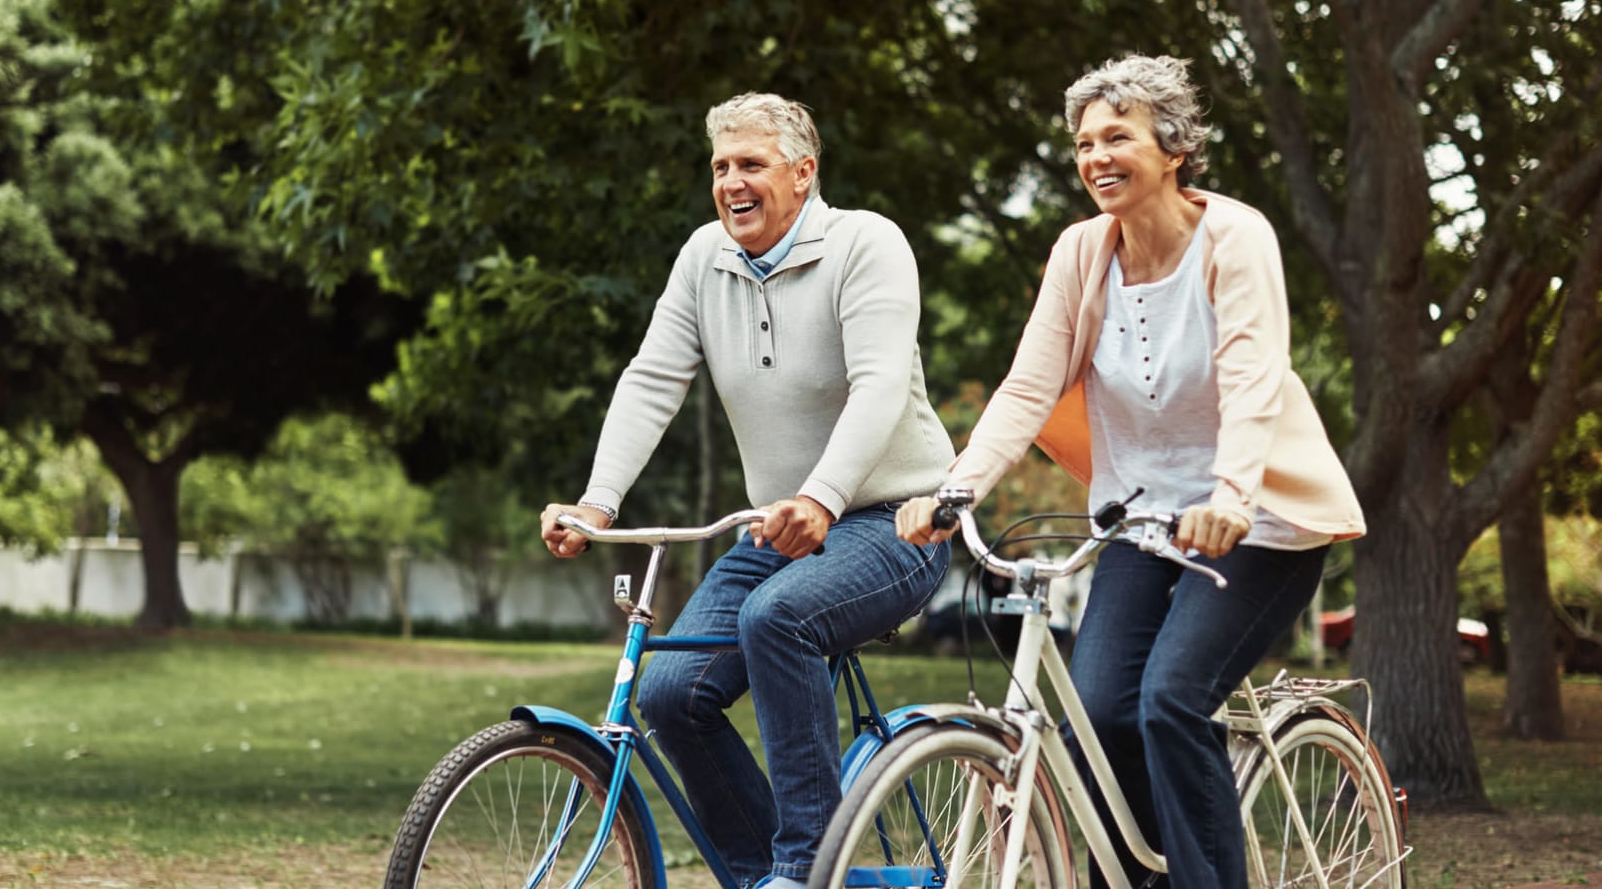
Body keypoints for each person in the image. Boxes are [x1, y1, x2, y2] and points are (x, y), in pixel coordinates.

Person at [897, 55, 1366, 889]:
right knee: (1097, 713)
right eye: (1083, 144)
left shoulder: (1235, 236)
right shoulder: (1082, 253)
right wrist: (956, 487)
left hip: (1256, 524)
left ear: (1174, 148)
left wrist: (1232, 493)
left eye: (1118, 137)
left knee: (1171, 700)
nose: (1095, 157)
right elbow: (1028, 386)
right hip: (1140, 524)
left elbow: (1255, 374)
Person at [542, 92, 954, 889]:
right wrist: (597, 503)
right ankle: (762, 874)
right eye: (721, 166)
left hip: (897, 524)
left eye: (751, 164)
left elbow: (878, 386)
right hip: (777, 527)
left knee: (780, 618)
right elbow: (653, 378)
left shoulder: (867, 244)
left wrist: (824, 496)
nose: (733, 181)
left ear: (803, 173)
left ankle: (805, 870)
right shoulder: (705, 257)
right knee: (668, 693)